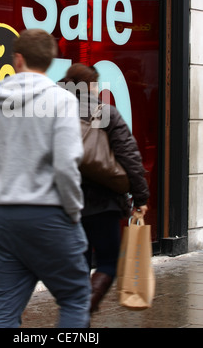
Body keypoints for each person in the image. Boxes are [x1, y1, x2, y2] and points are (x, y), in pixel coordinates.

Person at [0, 29, 91, 328]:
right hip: (48, 215)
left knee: (5, 308)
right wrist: (73, 211)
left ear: (18, 59)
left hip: (2, 217)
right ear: (51, 60)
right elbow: (67, 165)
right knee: (75, 297)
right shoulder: (62, 101)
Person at [59, 63, 149, 313]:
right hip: (103, 202)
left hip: (66, 202)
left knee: (79, 264)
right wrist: (140, 196)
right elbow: (129, 155)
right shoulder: (105, 112)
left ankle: (77, 318)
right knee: (109, 261)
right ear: (90, 86)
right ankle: (83, 309)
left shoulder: (55, 111)